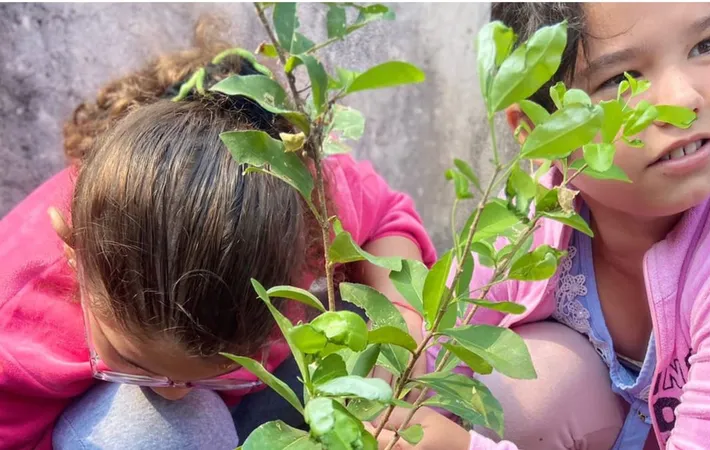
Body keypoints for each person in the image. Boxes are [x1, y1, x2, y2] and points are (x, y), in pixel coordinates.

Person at [371, 3, 710, 449]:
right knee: (524, 393)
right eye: (620, 80)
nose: (682, 100)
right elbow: (432, 365)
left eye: (705, 45)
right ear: (539, 131)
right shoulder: (528, 218)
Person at [0, 18, 436, 450]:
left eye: (227, 363)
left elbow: (387, 219)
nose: (174, 393)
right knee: (153, 434)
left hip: (248, 400)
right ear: (74, 251)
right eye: (131, 364)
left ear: (305, 247)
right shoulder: (19, 332)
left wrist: (404, 327)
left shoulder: (305, 205)